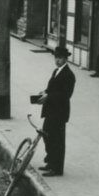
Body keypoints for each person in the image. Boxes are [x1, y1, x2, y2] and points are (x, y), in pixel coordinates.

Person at [30, 42, 76, 176]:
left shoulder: (69, 75)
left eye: (60, 58)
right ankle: (50, 162)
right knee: (47, 136)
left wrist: (48, 96)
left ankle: (56, 168)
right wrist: (44, 93)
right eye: (56, 57)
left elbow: (66, 94)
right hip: (51, 110)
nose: (57, 60)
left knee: (57, 140)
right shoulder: (56, 71)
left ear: (65, 59)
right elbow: (51, 89)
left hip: (59, 112)